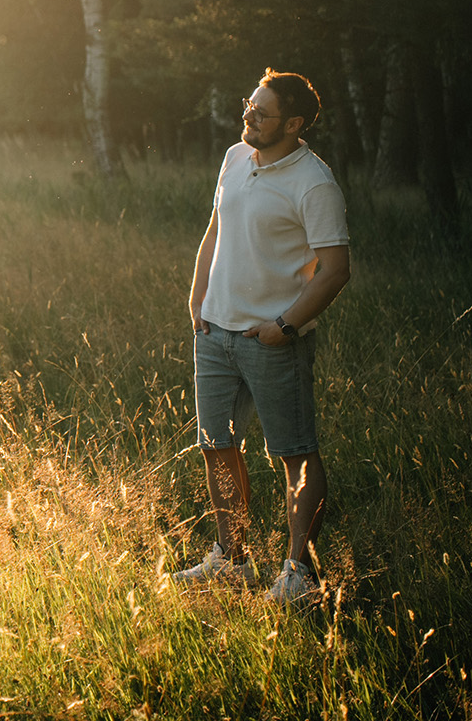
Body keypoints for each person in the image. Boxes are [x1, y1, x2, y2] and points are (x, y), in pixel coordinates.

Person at [172, 69, 352, 605]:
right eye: (248, 105)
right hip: (214, 333)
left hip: (273, 340)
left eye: (261, 112)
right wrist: (197, 297)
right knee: (217, 446)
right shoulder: (235, 157)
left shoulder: (314, 183)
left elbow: (335, 270)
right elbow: (215, 230)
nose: (248, 116)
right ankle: (233, 560)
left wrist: (285, 326)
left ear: (293, 124)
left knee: (295, 454)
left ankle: (299, 575)